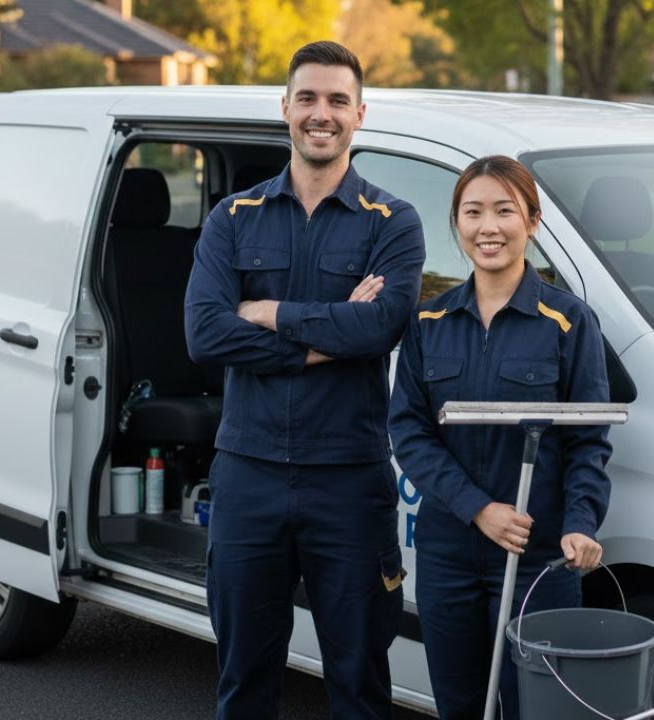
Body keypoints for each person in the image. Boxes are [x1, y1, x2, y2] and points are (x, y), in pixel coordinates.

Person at [184, 41, 426, 720]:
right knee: (245, 679)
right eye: (309, 99)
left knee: (358, 681)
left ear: (360, 114)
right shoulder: (233, 219)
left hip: (348, 482)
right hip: (248, 476)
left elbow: (379, 330)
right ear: (285, 107)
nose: (323, 114)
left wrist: (264, 314)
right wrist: (328, 334)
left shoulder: (394, 222)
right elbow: (205, 335)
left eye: (338, 101)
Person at [387, 156, 612, 720]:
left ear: (531, 222)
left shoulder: (569, 322)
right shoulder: (428, 322)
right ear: (457, 224)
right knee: (460, 703)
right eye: (474, 212)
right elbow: (409, 431)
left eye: (505, 211)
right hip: (449, 552)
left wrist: (582, 523)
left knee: (538, 706)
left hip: (538, 557)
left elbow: (589, 442)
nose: (489, 227)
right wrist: (478, 508)